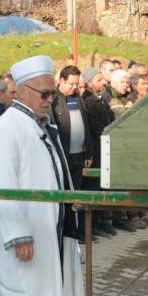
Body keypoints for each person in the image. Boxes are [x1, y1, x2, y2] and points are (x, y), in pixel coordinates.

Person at [0, 55, 82, 296]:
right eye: (44, 93)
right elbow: (3, 187)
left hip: (47, 227)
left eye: (51, 93)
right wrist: (18, 234)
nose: (50, 99)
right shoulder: (5, 130)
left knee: (42, 291)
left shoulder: (40, 124)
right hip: (24, 231)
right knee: (20, 294)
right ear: (22, 91)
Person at [82, 70, 116, 237]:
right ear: (89, 82)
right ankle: (89, 228)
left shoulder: (101, 100)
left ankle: (96, 226)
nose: (103, 82)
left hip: (104, 151)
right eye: (99, 79)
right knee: (93, 189)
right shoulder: (88, 102)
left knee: (100, 189)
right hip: (96, 153)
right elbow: (98, 128)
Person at [52, 65, 92, 197]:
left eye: (77, 84)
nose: (74, 87)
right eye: (71, 84)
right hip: (64, 157)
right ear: (61, 81)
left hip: (80, 157)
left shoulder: (78, 99)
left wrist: (88, 153)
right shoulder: (53, 101)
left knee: (77, 193)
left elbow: (86, 126)